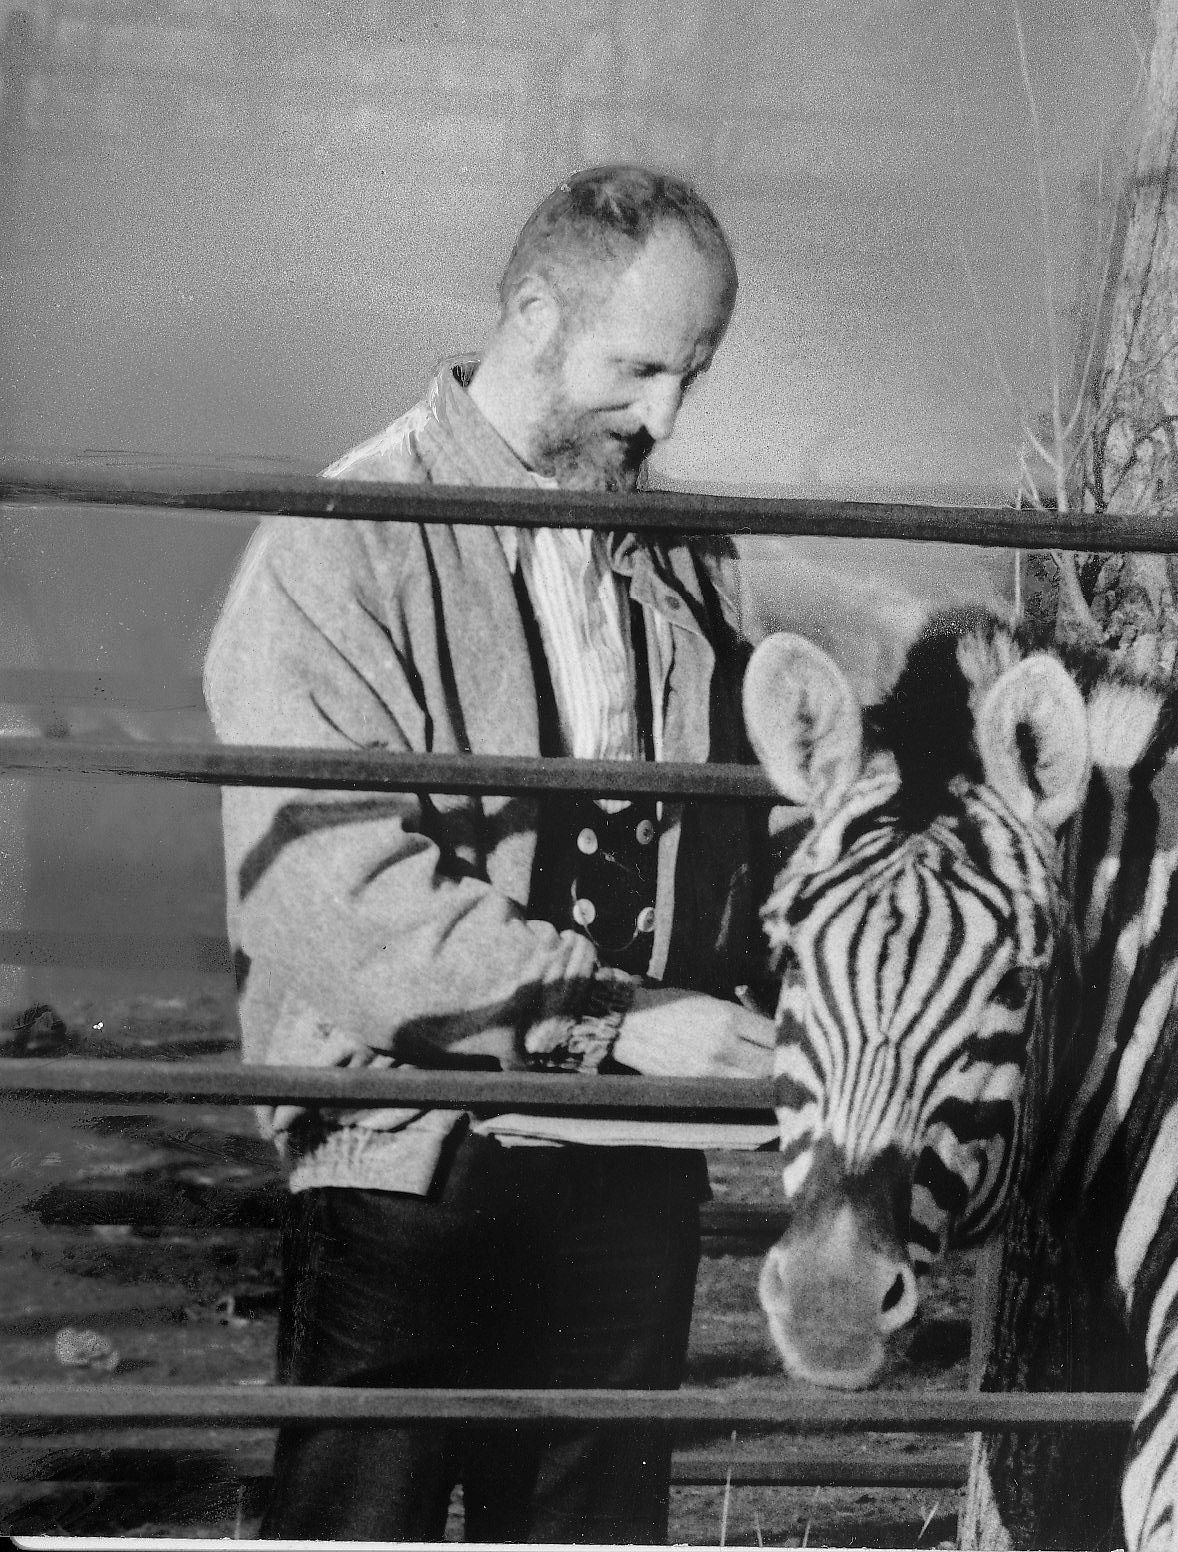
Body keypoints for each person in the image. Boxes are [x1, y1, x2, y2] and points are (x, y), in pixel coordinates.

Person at [205, 165, 775, 1544]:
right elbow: (330, 892)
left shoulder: (687, 550)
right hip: (412, 1165)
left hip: (631, 1170)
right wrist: (622, 1021)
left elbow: (745, 831)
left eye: (693, 371)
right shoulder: (341, 542)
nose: (667, 417)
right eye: (639, 366)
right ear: (530, 310)